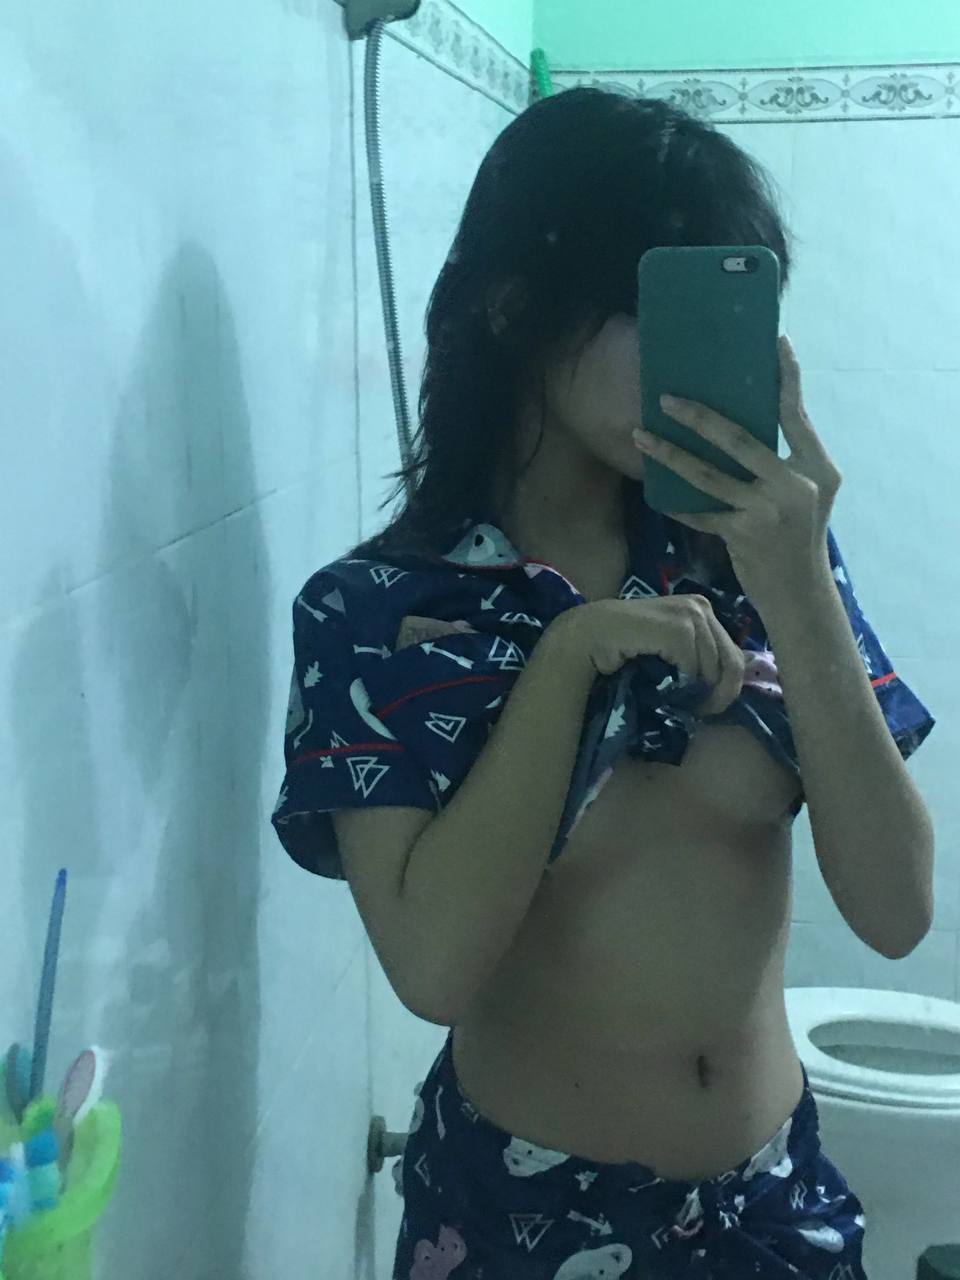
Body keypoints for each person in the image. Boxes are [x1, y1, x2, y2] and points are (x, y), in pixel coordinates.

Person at [272, 89, 934, 1279]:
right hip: (522, 1227)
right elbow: (433, 968)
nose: (695, 361)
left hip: (771, 1207)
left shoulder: (764, 554)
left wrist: (798, 586)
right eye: (653, 310)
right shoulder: (377, 611)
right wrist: (568, 660)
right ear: (513, 302)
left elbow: (897, 911)